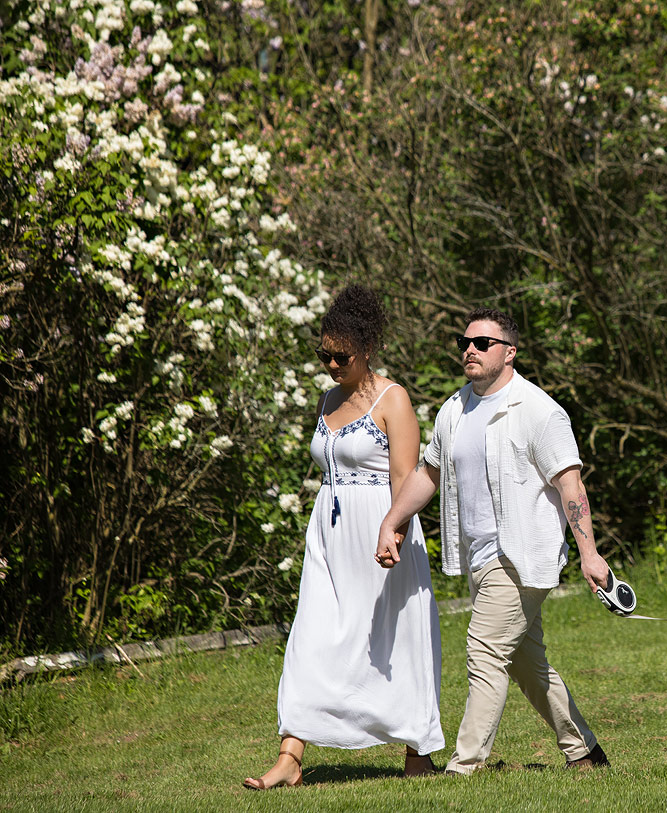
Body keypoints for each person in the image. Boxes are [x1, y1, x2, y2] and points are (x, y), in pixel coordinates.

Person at [375, 307, 612, 774]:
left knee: (484, 650)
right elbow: (428, 473)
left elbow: (571, 486)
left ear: (509, 352)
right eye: (465, 342)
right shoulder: (455, 409)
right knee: (527, 663)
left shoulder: (540, 411)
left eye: (483, 343)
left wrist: (590, 552)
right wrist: (392, 520)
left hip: (521, 556)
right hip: (478, 556)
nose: (470, 349)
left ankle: (466, 766)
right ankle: (584, 752)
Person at [243, 285, 444, 790]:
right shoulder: (327, 398)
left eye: (341, 357)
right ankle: (290, 755)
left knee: (396, 640)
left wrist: (393, 530)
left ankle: (417, 752)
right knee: (310, 636)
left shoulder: (393, 399)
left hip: (381, 530)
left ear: (367, 349)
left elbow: (406, 479)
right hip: (329, 534)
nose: (331, 365)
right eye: (324, 355)